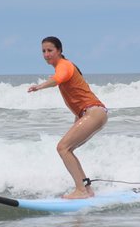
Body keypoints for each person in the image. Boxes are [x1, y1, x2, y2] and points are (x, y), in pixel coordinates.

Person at [28, 36, 108, 199]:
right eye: (43, 51)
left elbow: (58, 79)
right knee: (68, 149)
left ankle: (81, 191)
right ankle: (87, 189)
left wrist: (39, 86)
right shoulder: (65, 66)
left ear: (59, 51)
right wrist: (78, 120)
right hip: (93, 113)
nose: (46, 54)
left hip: (93, 112)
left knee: (62, 148)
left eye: (50, 50)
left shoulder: (64, 66)